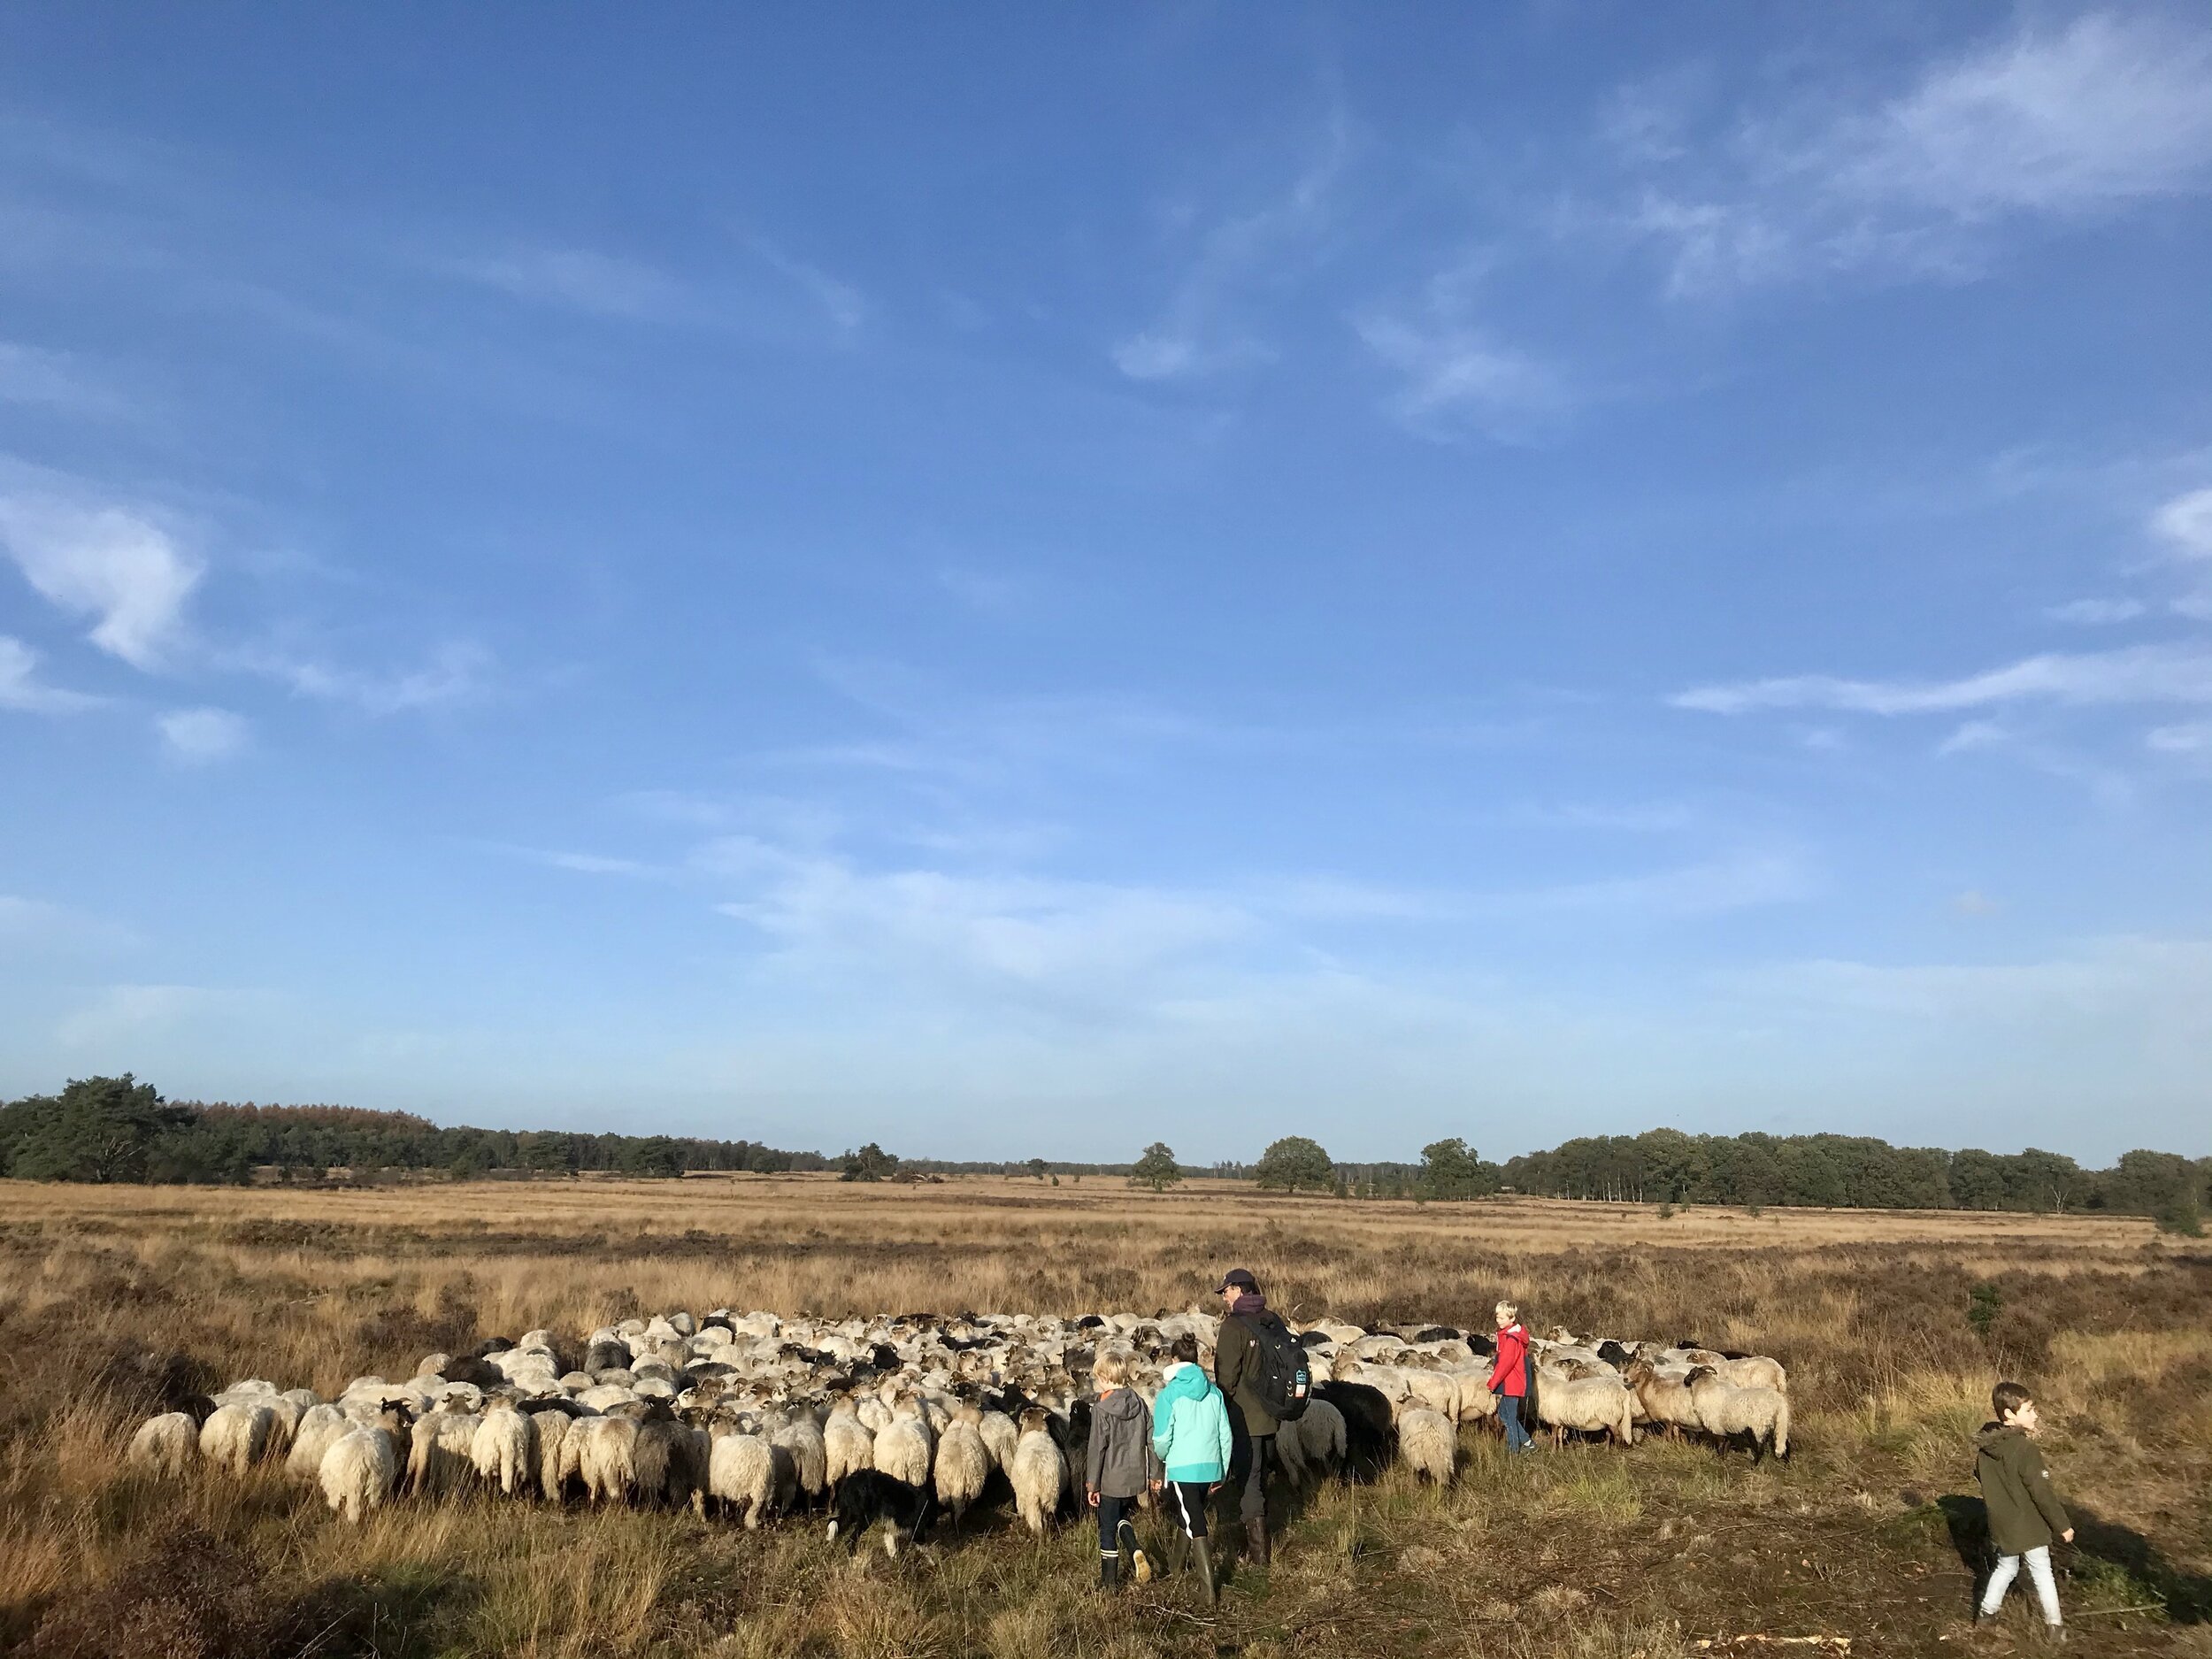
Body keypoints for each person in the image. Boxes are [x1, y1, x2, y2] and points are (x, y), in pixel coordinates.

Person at [1976, 1380, 2073, 1633]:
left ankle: (1986, 1613)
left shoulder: (1986, 1448)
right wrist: (2062, 1525)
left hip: (2001, 1523)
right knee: (2042, 1570)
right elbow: (2042, 1492)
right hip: (2028, 1524)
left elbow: (1980, 1476)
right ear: (2010, 1414)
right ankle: (2055, 1626)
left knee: (2006, 1567)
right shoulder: (2025, 1449)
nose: (2035, 1414)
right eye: (2029, 1410)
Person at [1211, 1266, 1288, 1564]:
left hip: (1246, 1419)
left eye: (1227, 1291)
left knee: (1250, 1481)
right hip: (1273, 1415)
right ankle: (1264, 1536)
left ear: (1240, 1291)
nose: (1224, 1298)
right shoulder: (1272, 1320)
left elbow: (1226, 1378)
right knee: (1261, 1473)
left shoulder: (1233, 1327)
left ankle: (1259, 1557)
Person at [1151, 1332, 1233, 1605]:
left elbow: (1162, 1439)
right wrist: (1222, 1468)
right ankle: (1175, 1567)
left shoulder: (1168, 1396)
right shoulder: (1214, 1393)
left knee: (1196, 1520)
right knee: (1188, 1514)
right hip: (1210, 1464)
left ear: (1174, 1360)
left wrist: (1164, 1458)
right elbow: (1225, 1433)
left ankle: (1208, 1590)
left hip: (1184, 1467)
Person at [1086, 1349, 1158, 1590]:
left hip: (1110, 1478)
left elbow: (1097, 1448)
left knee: (1106, 1527)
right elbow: (1152, 1439)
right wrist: (1154, 1473)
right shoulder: (1139, 1403)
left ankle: (1109, 1583)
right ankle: (1135, 1548)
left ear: (1105, 1378)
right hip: (1135, 1477)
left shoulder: (1101, 1409)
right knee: (1120, 1516)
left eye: (1098, 1377)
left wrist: (1092, 1484)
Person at [1489, 1299, 1534, 1453]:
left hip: (1512, 1383)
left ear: (1512, 1318)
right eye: (1497, 1317)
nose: (1499, 1321)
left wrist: (1492, 1383)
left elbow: (1505, 1365)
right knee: (1504, 1413)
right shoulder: (1508, 1335)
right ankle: (1527, 1442)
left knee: (1508, 1417)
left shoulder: (1511, 1339)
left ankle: (1513, 1450)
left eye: (1502, 1318)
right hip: (1512, 1381)